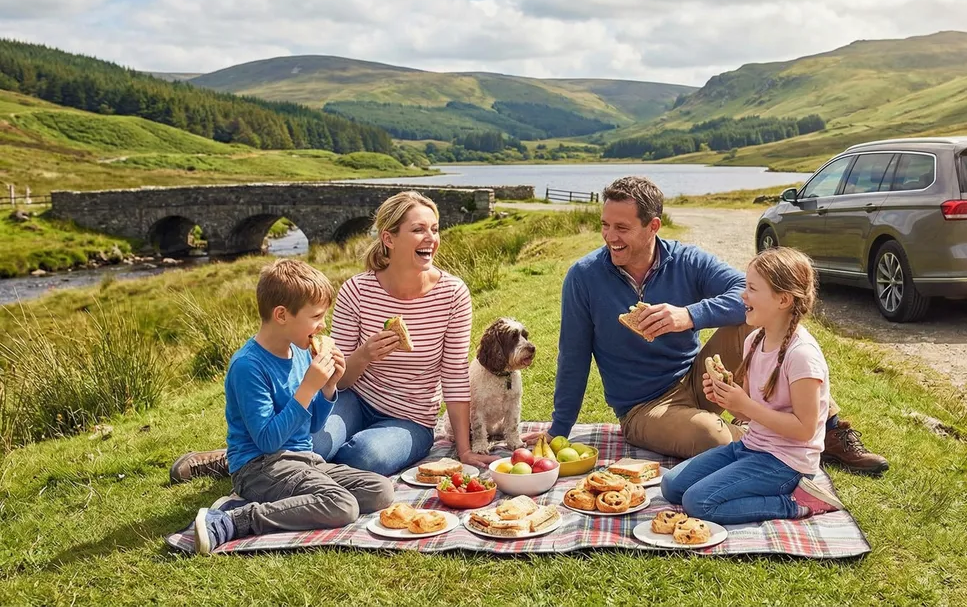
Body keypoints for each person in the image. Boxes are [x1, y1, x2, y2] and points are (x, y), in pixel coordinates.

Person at [545, 176, 887, 473]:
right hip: (646, 408)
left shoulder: (687, 260)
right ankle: (779, 438)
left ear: (653, 226)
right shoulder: (584, 277)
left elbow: (747, 292)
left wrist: (688, 316)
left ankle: (828, 429)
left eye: (622, 228)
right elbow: (573, 356)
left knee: (761, 319)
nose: (610, 237)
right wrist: (558, 430)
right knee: (712, 436)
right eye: (605, 225)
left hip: (702, 378)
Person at [171, 190, 492, 484]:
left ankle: (290, 468)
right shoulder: (357, 290)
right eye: (419, 229)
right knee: (310, 444)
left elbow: (454, 374)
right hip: (354, 400)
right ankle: (237, 460)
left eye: (434, 229)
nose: (431, 238)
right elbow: (337, 381)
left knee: (363, 457)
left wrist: (463, 451)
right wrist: (364, 355)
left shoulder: (453, 294)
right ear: (388, 238)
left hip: (412, 418)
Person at [191, 259, 394, 555]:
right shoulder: (248, 366)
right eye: (316, 316)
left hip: (304, 459)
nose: (323, 325)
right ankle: (233, 519)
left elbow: (310, 427)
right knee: (343, 505)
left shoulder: (300, 353)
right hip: (260, 466)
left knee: (380, 490)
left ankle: (273, 504)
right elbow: (268, 441)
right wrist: (308, 387)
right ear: (282, 315)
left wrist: (327, 388)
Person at [659, 247, 844, 524]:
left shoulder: (802, 356)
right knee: (671, 486)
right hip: (750, 446)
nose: (743, 295)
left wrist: (746, 406)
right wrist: (727, 399)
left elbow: (805, 430)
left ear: (783, 299)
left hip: (786, 463)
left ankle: (797, 503)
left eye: (752, 289)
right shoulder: (754, 340)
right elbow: (748, 413)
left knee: (698, 502)